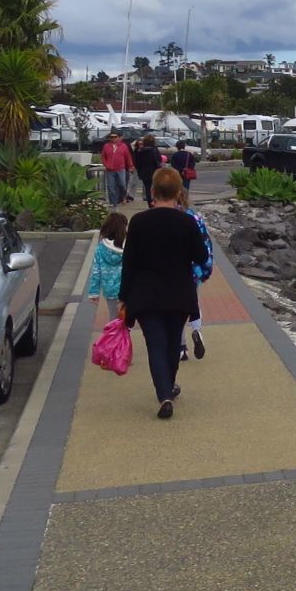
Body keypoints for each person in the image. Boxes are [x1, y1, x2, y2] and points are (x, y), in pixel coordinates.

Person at [119, 167, 208, 419]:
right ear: (179, 192)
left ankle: (165, 395)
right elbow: (201, 256)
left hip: (146, 295)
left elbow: (130, 262)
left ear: (152, 191)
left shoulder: (138, 222)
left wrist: (123, 297)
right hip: (179, 293)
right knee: (172, 345)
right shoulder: (187, 222)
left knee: (155, 345)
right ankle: (168, 386)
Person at [179, 185, 214, 361]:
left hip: (175, 272)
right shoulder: (195, 218)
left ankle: (181, 347)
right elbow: (206, 245)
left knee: (176, 309)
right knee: (194, 303)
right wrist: (205, 271)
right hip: (194, 272)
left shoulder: (169, 218)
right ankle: (197, 331)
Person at [86, 212, 127, 305]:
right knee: (128, 316)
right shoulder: (129, 247)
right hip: (127, 287)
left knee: (114, 317)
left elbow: (96, 271)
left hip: (110, 289)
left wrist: (94, 292)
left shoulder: (101, 248)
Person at [99, 131, 134, 206]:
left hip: (121, 169)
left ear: (119, 138)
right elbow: (103, 156)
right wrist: (106, 164)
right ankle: (113, 202)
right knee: (111, 186)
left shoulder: (123, 146)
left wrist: (130, 166)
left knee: (122, 184)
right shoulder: (106, 146)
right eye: (111, 137)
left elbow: (128, 157)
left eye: (115, 137)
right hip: (110, 170)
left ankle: (123, 197)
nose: (113, 138)